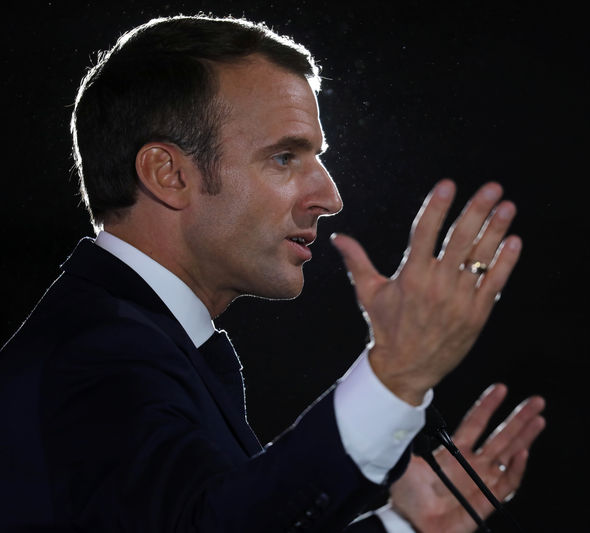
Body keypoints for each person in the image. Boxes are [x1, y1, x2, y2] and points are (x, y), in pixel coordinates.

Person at [0, 15, 546, 532]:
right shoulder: (96, 353)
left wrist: (403, 526)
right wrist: (394, 378)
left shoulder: (131, 338)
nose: (329, 197)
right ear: (168, 174)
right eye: (285, 157)